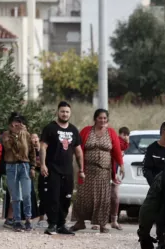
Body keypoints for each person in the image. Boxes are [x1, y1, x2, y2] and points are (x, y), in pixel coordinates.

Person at [73, 109, 123, 233]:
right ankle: (80, 222)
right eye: (100, 118)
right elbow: (78, 149)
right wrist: (80, 168)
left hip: (103, 172)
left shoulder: (111, 132)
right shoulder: (86, 131)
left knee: (103, 198)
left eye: (105, 118)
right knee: (83, 197)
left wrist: (121, 165)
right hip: (87, 171)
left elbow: (117, 150)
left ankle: (102, 224)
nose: (102, 120)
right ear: (95, 118)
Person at [40, 101, 84, 236]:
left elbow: (78, 151)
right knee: (53, 197)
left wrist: (81, 169)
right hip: (53, 169)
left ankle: (61, 224)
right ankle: (52, 224)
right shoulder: (50, 128)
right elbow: (43, 147)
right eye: (62, 111)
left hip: (68, 170)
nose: (65, 114)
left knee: (66, 197)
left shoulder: (73, 130)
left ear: (70, 114)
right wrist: (43, 164)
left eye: (67, 112)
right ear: (57, 112)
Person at [0, 113, 35, 232]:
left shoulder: (26, 135)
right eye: (14, 121)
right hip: (11, 166)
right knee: (15, 196)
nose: (16, 124)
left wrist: (33, 167)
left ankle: (28, 219)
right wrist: (14, 135)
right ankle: (17, 220)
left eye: (19, 121)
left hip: (24, 165)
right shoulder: (6, 135)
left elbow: (32, 152)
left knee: (26, 194)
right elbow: (8, 147)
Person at [143, 121, 165, 186]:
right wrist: (154, 185)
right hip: (158, 186)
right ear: (163, 131)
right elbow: (147, 169)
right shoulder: (152, 148)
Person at [111, 127, 130, 231]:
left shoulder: (121, 142)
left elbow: (123, 148)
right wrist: (127, 142)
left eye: (127, 135)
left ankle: (113, 220)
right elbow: (120, 148)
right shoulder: (117, 141)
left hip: (115, 170)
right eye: (124, 135)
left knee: (115, 197)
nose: (126, 137)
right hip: (112, 170)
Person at [30, 132, 43, 225]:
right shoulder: (29, 149)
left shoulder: (42, 149)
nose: (35, 139)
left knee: (43, 195)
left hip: (42, 172)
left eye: (36, 137)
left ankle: (42, 217)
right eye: (32, 138)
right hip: (32, 173)